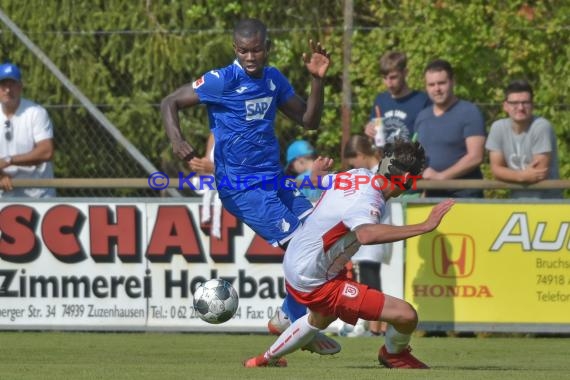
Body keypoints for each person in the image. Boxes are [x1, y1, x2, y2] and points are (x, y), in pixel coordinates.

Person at [160, 18, 339, 354]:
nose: (250, 56)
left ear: (266, 48)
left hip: (274, 179)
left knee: (320, 238)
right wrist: (177, 140)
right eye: (243, 50)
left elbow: (309, 121)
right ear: (235, 50)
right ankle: (295, 324)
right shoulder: (221, 80)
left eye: (256, 49)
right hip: (241, 188)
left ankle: (289, 318)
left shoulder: (273, 79)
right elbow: (169, 102)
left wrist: (317, 81)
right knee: (303, 246)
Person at [243, 139, 455, 368]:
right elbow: (366, 235)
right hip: (315, 279)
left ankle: (265, 358)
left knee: (321, 317)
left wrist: (316, 173)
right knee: (406, 316)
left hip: (297, 261)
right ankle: (394, 354)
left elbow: (318, 181)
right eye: (414, 179)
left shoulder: (357, 174)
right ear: (405, 180)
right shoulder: (369, 200)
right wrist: (424, 226)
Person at [339, 135, 389, 337]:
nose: (354, 167)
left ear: (360, 155)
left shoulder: (380, 171)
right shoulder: (373, 171)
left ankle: (377, 328)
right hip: (368, 230)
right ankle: (378, 326)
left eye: (354, 162)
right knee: (369, 280)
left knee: (370, 281)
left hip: (373, 230)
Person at [414, 59, 486, 198]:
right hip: (431, 195)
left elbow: (475, 157)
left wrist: (442, 177)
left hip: (464, 195)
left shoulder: (469, 112)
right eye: (431, 84)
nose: (437, 89)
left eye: (441, 83)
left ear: (452, 82)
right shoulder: (422, 116)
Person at [486, 80, 562, 199]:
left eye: (525, 102)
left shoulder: (541, 126)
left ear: (533, 105)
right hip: (517, 202)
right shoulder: (498, 128)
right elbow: (496, 170)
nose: (520, 108)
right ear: (505, 106)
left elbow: (539, 173)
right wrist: (522, 176)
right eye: (514, 103)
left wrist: (509, 174)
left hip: (547, 204)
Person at [0, 62, 55, 198]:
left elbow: (46, 151)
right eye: (3, 85)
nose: (8, 90)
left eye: (12, 84)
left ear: (20, 87)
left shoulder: (35, 112)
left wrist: (9, 160)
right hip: (4, 196)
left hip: (38, 195)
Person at [364, 51, 431, 146]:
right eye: (384, 78)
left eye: (393, 77)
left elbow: (432, 137)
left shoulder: (422, 101)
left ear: (405, 73)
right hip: (384, 159)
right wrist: (369, 130)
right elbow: (373, 140)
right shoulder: (380, 100)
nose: (388, 83)